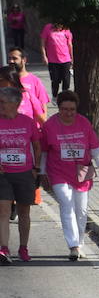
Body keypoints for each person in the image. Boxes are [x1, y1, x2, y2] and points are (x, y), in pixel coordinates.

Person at [38, 90, 99, 260]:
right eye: (64, 109)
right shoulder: (49, 126)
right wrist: (41, 172)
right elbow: (44, 152)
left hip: (81, 173)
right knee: (66, 205)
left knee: (81, 210)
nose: (68, 113)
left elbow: (96, 149)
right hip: (58, 172)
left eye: (72, 109)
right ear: (58, 108)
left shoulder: (84, 123)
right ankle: (73, 245)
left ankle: (80, 242)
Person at [0, 85, 39, 263]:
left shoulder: (27, 121)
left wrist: (36, 168)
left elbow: (37, 146)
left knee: (24, 211)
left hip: (24, 173)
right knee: (4, 210)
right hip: (3, 174)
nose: (0, 105)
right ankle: (4, 249)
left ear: (15, 103)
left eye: (3, 102)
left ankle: (23, 248)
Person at [8, 46, 48, 123]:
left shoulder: (34, 80)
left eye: (14, 58)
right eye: (9, 58)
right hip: (12, 127)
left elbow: (43, 105)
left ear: (24, 60)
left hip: (30, 126)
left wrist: (43, 124)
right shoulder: (6, 80)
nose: (11, 61)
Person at [38, 20, 71, 93]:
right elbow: (43, 42)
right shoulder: (48, 28)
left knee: (66, 80)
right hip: (53, 60)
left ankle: (64, 95)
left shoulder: (66, 29)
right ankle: (55, 95)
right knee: (55, 80)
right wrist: (44, 56)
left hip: (66, 59)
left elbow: (69, 44)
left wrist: (72, 58)